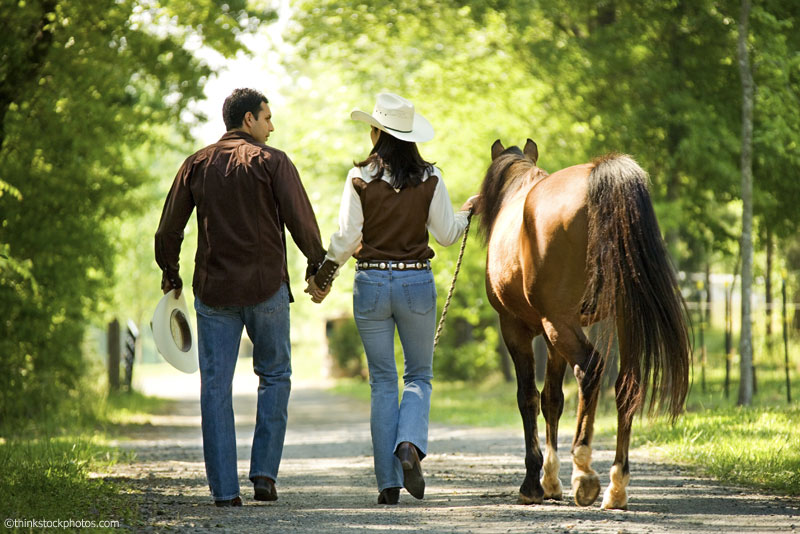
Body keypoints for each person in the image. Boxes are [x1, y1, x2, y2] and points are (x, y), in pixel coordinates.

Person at [155, 88, 326, 507]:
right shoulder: (274, 162)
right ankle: (264, 474)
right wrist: (316, 265)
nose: (272, 125)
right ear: (248, 119)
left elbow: (167, 230)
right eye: (267, 117)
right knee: (275, 377)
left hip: (214, 292)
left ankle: (224, 492)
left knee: (215, 388)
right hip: (267, 287)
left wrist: (171, 273)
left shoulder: (196, 164)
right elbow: (301, 220)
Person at [306, 92, 478, 505]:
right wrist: (469, 211)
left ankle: (387, 485)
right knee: (418, 376)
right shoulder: (431, 177)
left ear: (378, 133)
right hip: (416, 282)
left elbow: (347, 239)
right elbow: (447, 234)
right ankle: (408, 446)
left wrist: (323, 278)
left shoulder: (359, 178)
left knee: (382, 382)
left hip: (371, 285)